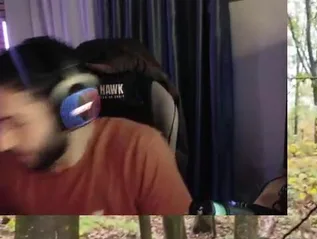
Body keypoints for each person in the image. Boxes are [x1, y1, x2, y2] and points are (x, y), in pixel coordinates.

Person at [0, 36, 191, 215]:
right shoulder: (8, 163)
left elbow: (181, 238)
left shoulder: (140, 153)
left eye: (18, 123)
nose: (4, 143)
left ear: (69, 109)